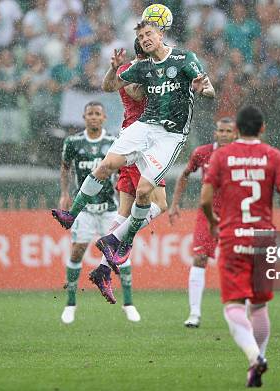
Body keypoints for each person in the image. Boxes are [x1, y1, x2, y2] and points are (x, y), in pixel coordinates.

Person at [52, 20, 215, 272]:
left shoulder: (184, 58)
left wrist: (200, 88)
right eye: (140, 37)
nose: (145, 39)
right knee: (107, 165)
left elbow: (210, 90)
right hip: (142, 127)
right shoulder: (141, 67)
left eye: (149, 34)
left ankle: (121, 244)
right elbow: (111, 86)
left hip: (169, 136)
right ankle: (72, 214)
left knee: (144, 194)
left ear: (161, 34)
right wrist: (114, 69)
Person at [201, 105, 280, 387]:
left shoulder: (222, 155)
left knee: (233, 305)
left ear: (238, 130)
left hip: (234, 238)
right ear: (262, 128)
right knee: (258, 306)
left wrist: (212, 222)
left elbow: (206, 200)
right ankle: (257, 361)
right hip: (263, 238)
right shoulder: (274, 156)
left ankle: (255, 358)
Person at [87, 39, 168, 313]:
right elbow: (136, 94)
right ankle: (109, 243)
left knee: (123, 213)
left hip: (132, 142)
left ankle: (101, 270)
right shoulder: (137, 71)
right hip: (140, 147)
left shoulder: (137, 70)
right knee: (160, 204)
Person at [59, 101, 132, 324]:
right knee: (77, 252)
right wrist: (64, 193)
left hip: (109, 208)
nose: (93, 117)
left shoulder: (112, 142)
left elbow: (123, 172)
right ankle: (71, 304)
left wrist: (124, 201)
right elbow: (65, 167)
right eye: (89, 113)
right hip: (85, 211)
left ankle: (128, 304)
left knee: (119, 254)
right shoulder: (73, 142)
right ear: (84, 117)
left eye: (97, 114)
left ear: (104, 118)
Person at [168, 117, 238, 328]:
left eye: (228, 131)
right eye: (221, 131)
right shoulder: (202, 152)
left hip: (234, 215)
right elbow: (185, 174)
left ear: (235, 134)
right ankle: (194, 314)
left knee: (236, 263)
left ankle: (238, 313)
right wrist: (175, 204)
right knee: (199, 258)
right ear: (215, 133)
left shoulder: (242, 154)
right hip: (207, 214)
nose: (224, 134)